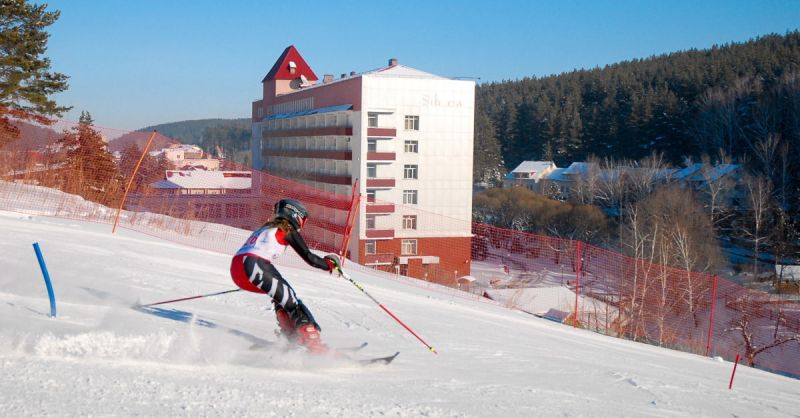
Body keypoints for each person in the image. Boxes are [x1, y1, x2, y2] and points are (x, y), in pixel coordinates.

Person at [230, 198, 341, 353]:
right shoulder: (286, 229)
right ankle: (314, 344)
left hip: (238, 268)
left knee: (282, 298)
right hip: (255, 264)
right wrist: (330, 264)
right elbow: (310, 258)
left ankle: (291, 338)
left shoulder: (266, 228)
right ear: (296, 215)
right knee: (294, 303)